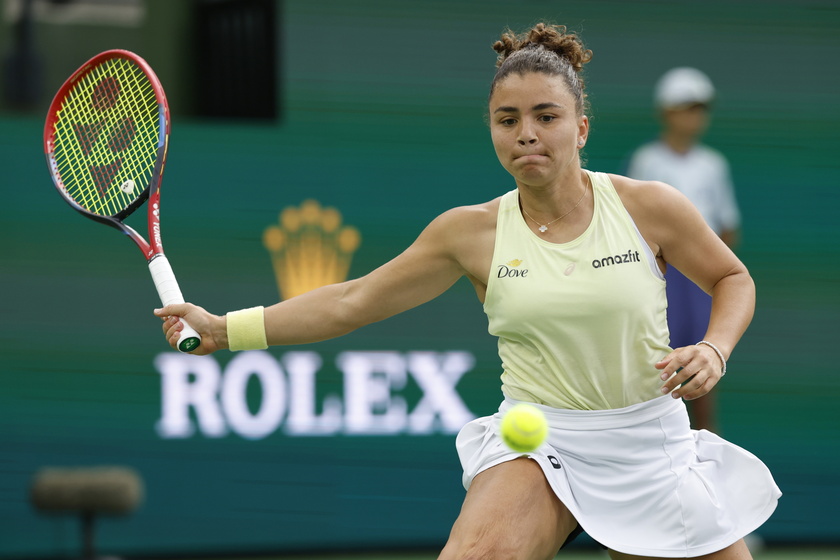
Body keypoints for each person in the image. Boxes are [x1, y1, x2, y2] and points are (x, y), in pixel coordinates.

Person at [155, 23, 780, 560]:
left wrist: (715, 349)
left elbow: (734, 279)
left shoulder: (648, 207)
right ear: (491, 129)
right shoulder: (470, 232)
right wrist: (221, 329)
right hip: (544, 439)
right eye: (507, 120)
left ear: (582, 128)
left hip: (649, 440)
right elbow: (351, 302)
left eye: (546, 116)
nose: (526, 133)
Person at [626, 67, 742, 432]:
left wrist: (709, 269)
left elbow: (727, 227)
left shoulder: (714, 165)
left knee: (704, 363)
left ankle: (704, 451)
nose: (694, 116)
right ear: (666, 112)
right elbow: (630, 225)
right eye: (686, 107)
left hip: (699, 281)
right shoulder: (647, 161)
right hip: (658, 279)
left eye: (700, 108)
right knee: (655, 364)